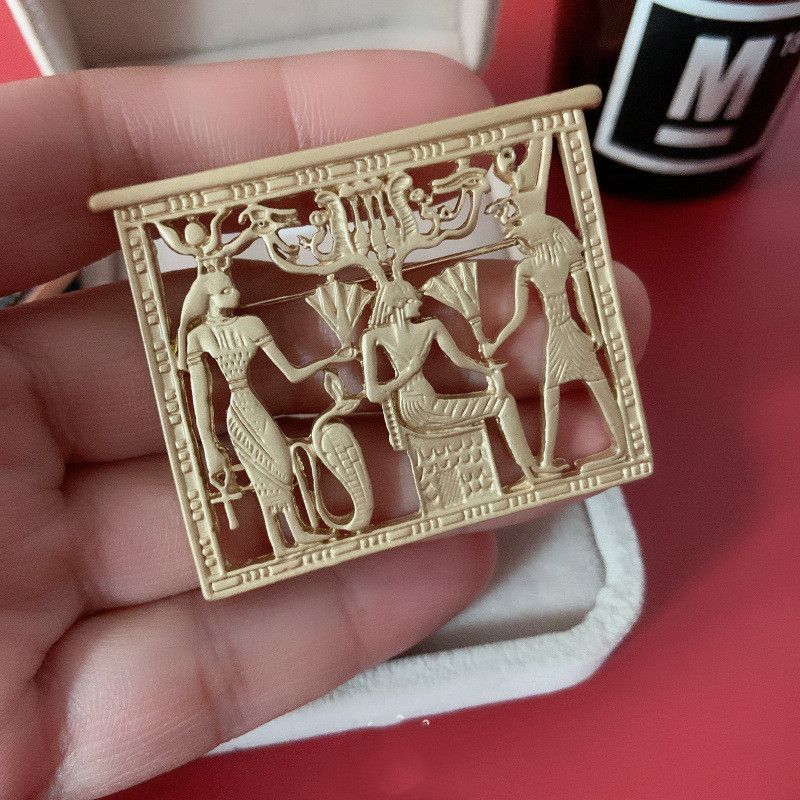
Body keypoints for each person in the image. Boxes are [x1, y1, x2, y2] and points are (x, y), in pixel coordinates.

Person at [0, 52, 649, 799]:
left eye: (405, 293)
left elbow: (326, 365)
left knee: (500, 399)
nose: (406, 299)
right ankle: (295, 527)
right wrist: (346, 381)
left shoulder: (397, 324)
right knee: (278, 470)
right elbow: (353, 382)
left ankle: (531, 463)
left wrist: (448, 362)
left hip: (386, 396)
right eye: (216, 285)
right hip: (333, 410)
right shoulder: (232, 337)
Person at [178, 269, 352, 554]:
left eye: (232, 287)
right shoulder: (199, 336)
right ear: (207, 298)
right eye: (224, 291)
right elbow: (199, 397)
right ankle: (280, 544)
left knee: (283, 466)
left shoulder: (251, 324)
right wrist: (208, 445)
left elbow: (291, 373)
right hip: (237, 413)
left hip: (254, 407)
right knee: (261, 476)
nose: (235, 293)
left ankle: (297, 531)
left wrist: (330, 359)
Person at [483, 213, 628, 474]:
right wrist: (594, 331)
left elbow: (520, 316)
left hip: (562, 334)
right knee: (588, 388)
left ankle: (557, 457)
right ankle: (613, 446)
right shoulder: (553, 261)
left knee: (560, 392)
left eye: (522, 237)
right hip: (565, 333)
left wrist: (496, 343)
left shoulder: (530, 267)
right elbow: (582, 301)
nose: (520, 243)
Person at [361, 279, 538, 483]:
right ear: (399, 303)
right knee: (504, 402)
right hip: (420, 409)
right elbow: (374, 394)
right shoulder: (373, 337)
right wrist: (409, 372)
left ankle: (530, 470)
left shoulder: (430, 326)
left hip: (424, 404)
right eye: (413, 299)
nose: (419, 302)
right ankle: (530, 470)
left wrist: (488, 370)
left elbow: (459, 359)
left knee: (504, 400)